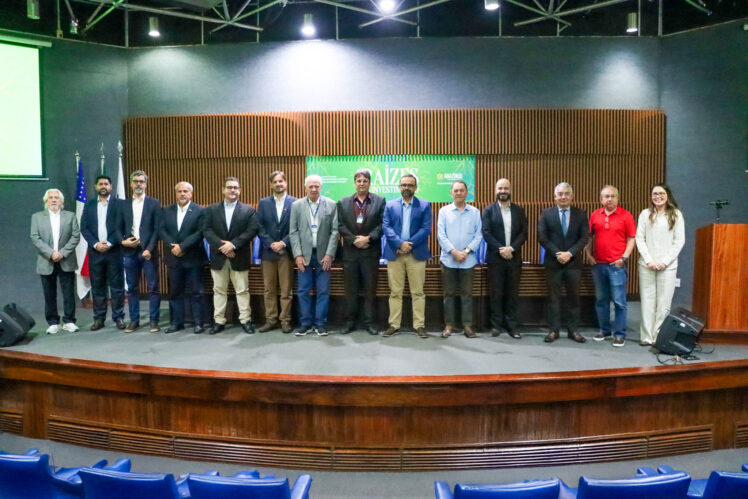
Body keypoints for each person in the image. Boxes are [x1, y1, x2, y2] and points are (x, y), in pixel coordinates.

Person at [202, 176, 259, 335]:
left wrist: (232, 245)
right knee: (219, 291)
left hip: (239, 255)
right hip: (218, 256)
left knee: (242, 290)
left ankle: (245, 320)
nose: (232, 190)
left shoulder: (248, 210)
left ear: (239, 190)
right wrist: (223, 247)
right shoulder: (212, 209)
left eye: (235, 187)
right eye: (229, 187)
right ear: (223, 190)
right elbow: (206, 230)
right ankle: (219, 321)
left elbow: (251, 231)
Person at [382, 174, 432, 339]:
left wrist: (408, 244)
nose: (406, 188)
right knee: (395, 292)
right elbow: (386, 227)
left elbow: (426, 229)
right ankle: (394, 325)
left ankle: (419, 325)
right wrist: (399, 244)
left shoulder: (424, 205)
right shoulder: (390, 205)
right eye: (403, 185)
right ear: (399, 187)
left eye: (410, 185)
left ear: (415, 187)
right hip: (395, 253)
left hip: (416, 254)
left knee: (417, 292)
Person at [537, 182, 589, 343]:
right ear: (555, 197)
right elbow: (542, 237)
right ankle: (554, 330)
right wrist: (557, 253)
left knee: (574, 298)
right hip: (553, 263)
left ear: (572, 196)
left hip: (574, 264)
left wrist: (570, 253)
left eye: (566, 193)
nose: (563, 197)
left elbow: (584, 238)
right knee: (553, 298)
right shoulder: (546, 214)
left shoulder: (580, 214)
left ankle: (573, 330)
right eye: (560, 194)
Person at [337, 169, 386, 335]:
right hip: (350, 253)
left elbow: (383, 224)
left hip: (370, 252)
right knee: (350, 289)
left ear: (369, 183)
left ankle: (370, 322)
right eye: (359, 181)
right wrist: (354, 240)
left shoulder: (380, 201)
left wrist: (368, 239)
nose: (362, 184)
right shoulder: (343, 202)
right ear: (354, 183)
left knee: (370, 290)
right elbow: (340, 224)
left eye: (365, 181)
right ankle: (349, 321)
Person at [288, 174, 339, 336]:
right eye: (310, 186)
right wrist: (297, 255)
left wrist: (330, 254)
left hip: (324, 256)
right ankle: (305, 323)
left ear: (321, 187)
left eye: (317, 186)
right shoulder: (296, 206)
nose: (314, 189)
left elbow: (335, 232)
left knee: (323, 291)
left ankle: (320, 323)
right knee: (303, 291)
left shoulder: (331, 204)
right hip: (304, 256)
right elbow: (293, 232)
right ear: (305, 188)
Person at [635, 183, 685, 346]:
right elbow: (639, 238)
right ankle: (646, 336)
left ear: (667, 195)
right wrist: (649, 260)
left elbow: (679, 241)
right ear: (651, 197)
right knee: (647, 301)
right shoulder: (645, 214)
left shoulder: (676, 215)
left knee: (664, 303)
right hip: (646, 265)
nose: (658, 196)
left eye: (661, 193)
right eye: (655, 194)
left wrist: (664, 262)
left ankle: (658, 337)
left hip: (667, 267)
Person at [587, 185, 636, 347]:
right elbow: (588, 237)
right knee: (601, 300)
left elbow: (631, 238)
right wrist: (588, 255)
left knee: (619, 301)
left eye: (612, 196)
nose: (609, 199)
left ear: (617, 198)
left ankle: (619, 334)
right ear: (601, 199)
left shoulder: (626, 215)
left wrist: (624, 258)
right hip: (598, 265)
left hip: (617, 265)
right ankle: (604, 330)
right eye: (606, 196)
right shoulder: (595, 215)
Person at [481, 178, 528, 339]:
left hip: (514, 258)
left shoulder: (519, 210)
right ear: (495, 190)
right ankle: (496, 325)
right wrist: (501, 249)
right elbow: (486, 232)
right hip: (496, 258)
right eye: (500, 188)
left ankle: (512, 326)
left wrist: (511, 248)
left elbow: (524, 233)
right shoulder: (488, 210)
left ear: (510, 190)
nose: (503, 191)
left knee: (512, 293)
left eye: (505, 188)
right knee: (496, 293)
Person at [30, 188, 81, 334]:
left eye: (56, 198)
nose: (53, 200)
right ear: (46, 201)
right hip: (46, 260)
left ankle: (69, 321)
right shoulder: (37, 217)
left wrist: (62, 253)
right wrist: (51, 253)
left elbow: (75, 236)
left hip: (66, 259)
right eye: (50, 197)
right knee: (49, 294)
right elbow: (35, 237)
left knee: (68, 293)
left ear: (61, 201)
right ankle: (53, 322)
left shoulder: (70, 216)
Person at [437, 180, 483, 338]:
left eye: (461, 190)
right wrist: (454, 252)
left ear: (466, 193)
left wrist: (466, 251)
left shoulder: (475, 212)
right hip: (449, 259)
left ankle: (467, 326)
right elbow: (441, 235)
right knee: (448, 294)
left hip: (468, 260)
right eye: (455, 190)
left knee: (467, 294)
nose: (458, 193)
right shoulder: (444, 211)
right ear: (451, 193)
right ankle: (448, 325)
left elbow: (479, 235)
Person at [160, 182, 207, 334]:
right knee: (175, 292)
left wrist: (183, 247)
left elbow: (200, 232)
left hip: (193, 257)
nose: (182, 194)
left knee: (196, 292)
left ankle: (198, 323)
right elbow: (161, 230)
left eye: (185, 191)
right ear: (175, 194)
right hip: (174, 257)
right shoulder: (166, 210)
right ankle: (176, 323)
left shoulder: (200, 210)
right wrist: (173, 247)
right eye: (179, 191)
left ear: (191, 194)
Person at [80, 175, 126, 330]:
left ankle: (119, 317)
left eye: (106, 184)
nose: (103, 186)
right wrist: (95, 244)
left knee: (117, 287)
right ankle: (99, 318)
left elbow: (122, 226)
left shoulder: (120, 204)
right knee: (98, 287)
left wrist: (110, 243)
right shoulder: (89, 205)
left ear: (111, 187)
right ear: (96, 187)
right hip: (95, 252)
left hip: (114, 251)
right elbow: (84, 228)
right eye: (100, 184)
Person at [121, 170, 162, 333]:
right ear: (131, 183)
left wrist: (149, 249)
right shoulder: (123, 204)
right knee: (131, 288)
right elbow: (117, 227)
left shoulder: (154, 203)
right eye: (136, 181)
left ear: (146, 184)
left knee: (153, 287)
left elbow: (157, 229)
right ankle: (134, 320)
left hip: (148, 252)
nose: (139, 184)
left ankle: (154, 321)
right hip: (129, 251)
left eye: (141, 181)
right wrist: (122, 241)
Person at [256, 171, 297, 334]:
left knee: (286, 290)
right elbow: (259, 226)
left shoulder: (295, 202)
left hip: (286, 252)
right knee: (269, 289)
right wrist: (270, 243)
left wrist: (283, 243)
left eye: (281, 181)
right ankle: (271, 320)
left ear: (286, 183)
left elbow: (296, 227)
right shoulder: (263, 203)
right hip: (268, 252)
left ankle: (285, 320)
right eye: (275, 182)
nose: (278, 184)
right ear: (271, 184)